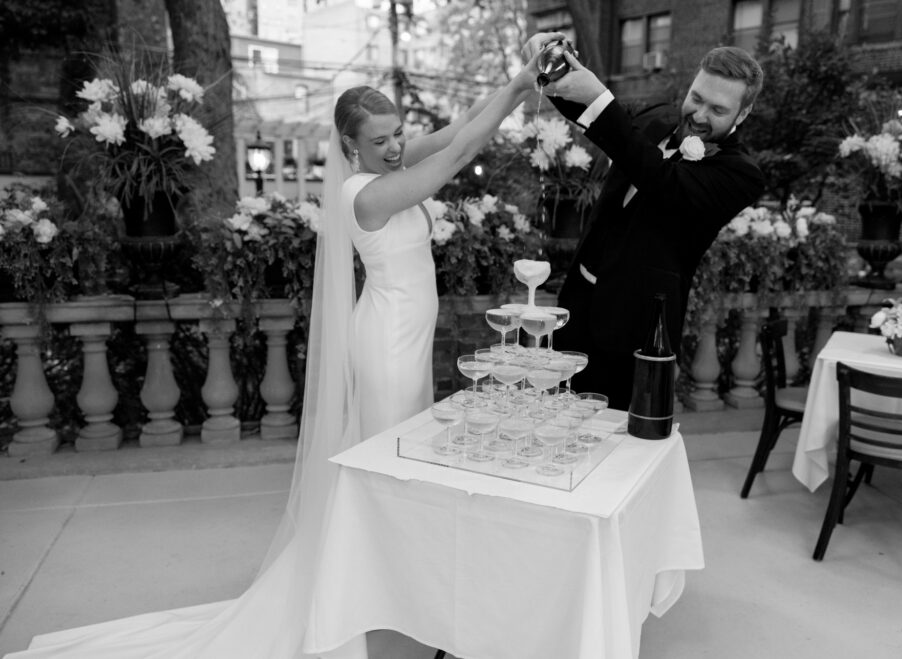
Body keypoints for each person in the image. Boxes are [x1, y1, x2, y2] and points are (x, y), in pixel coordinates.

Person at [5, 53, 545, 659]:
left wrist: (520, 84)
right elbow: (455, 156)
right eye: (380, 140)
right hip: (388, 344)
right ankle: (382, 599)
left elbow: (454, 132)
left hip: (407, 338)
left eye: (397, 135)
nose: (395, 147)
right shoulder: (364, 195)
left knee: (404, 471)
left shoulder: (387, 166)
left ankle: (400, 594)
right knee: (394, 473)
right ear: (349, 144)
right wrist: (520, 84)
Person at [524, 35, 766, 410]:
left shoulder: (741, 175)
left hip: (636, 332)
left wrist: (600, 98)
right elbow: (600, 120)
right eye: (696, 98)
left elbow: (661, 180)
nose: (699, 116)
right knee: (556, 424)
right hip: (577, 307)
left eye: (717, 110)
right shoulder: (659, 117)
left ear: (743, 114)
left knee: (616, 449)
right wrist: (551, 64)